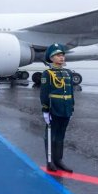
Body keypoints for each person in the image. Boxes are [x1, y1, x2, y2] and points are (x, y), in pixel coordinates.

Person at [40, 43, 74, 172]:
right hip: (54, 108)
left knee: (61, 135)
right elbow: (44, 93)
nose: (61, 57)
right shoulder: (47, 73)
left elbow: (71, 92)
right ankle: (50, 161)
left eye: (62, 55)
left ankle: (58, 160)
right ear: (51, 58)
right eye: (58, 55)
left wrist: (72, 107)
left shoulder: (68, 73)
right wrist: (45, 110)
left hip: (66, 108)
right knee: (51, 135)